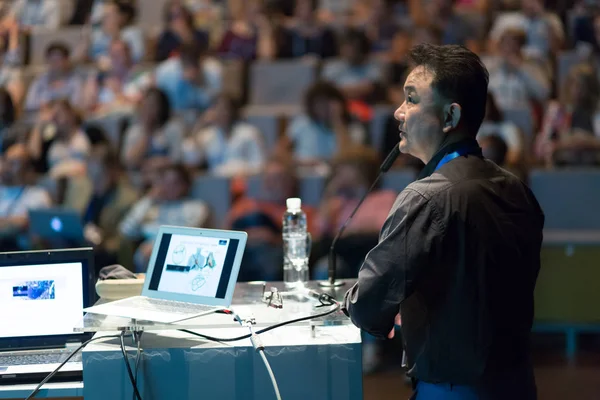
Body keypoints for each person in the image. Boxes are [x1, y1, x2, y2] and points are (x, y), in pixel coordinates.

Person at [343, 44, 544, 399]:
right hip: (519, 385)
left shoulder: (425, 197)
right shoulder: (518, 190)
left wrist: (371, 308)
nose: (398, 113)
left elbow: (368, 305)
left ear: (450, 117)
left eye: (411, 99)